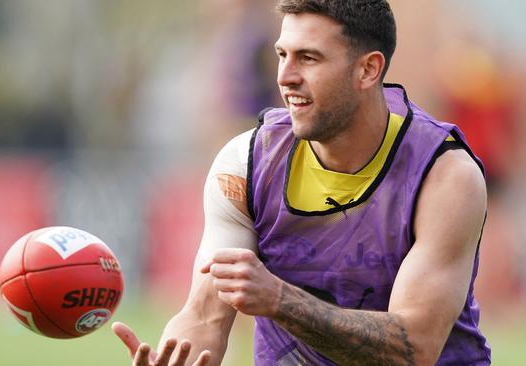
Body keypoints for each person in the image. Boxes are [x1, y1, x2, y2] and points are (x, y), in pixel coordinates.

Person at [113, 1, 491, 365]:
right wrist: (176, 359)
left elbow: (414, 348)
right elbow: (204, 316)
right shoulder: (244, 164)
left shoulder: (443, 175)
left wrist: (280, 299)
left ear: (368, 70)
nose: (285, 77)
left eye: (308, 58)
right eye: (282, 55)